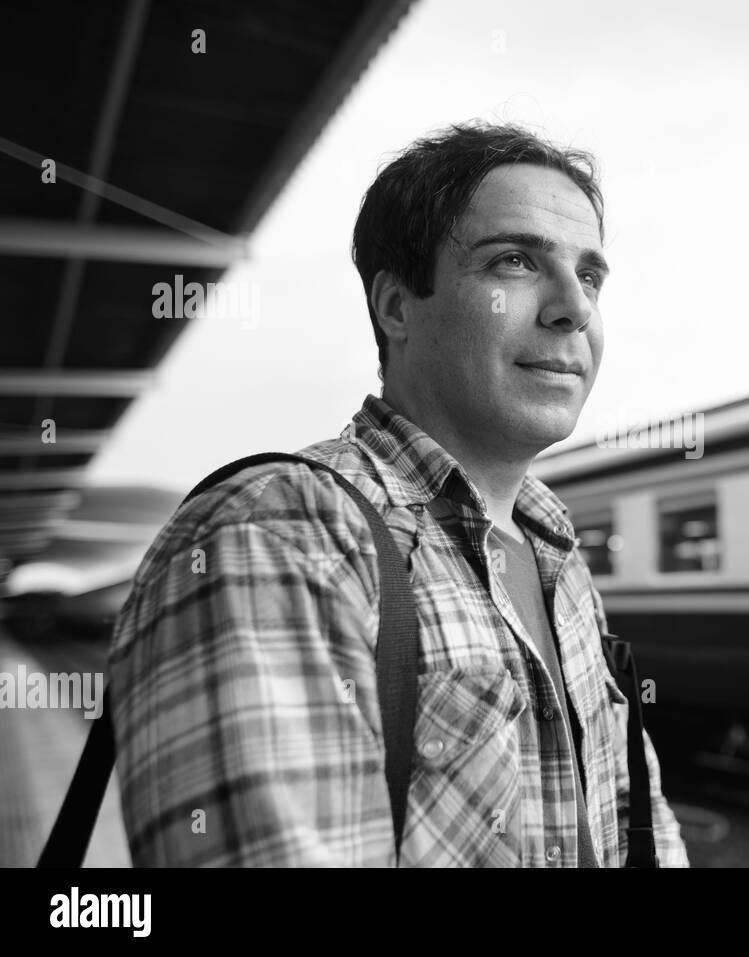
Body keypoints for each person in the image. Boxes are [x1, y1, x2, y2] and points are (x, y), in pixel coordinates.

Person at [107, 120, 689, 867]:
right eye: (514, 261)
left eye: (590, 276)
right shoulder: (280, 535)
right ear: (396, 307)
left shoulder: (560, 563)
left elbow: (641, 829)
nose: (573, 307)